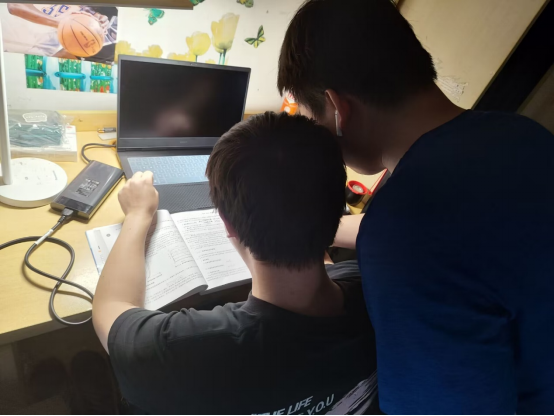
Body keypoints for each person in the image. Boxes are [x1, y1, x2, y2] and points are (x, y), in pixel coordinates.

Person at [277, 0, 554, 414]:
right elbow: (467, 233)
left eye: (311, 116)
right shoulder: (520, 133)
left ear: (336, 107)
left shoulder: (406, 229)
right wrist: (322, 228)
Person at [92, 113, 379, 415]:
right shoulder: (380, 293)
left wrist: (138, 213)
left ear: (226, 224)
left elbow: (111, 306)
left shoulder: (188, 351)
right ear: (339, 210)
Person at [3, 4, 110, 58]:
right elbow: (15, 5)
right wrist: (62, 23)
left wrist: (96, 24)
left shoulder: (87, 11)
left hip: (13, 55)